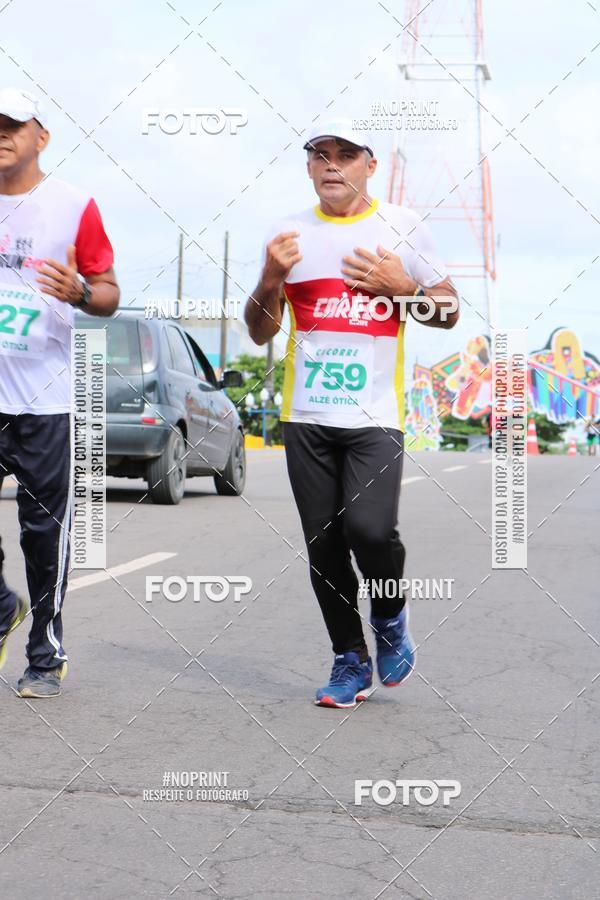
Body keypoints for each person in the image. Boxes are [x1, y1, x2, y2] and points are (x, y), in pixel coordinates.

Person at [245, 119, 459, 708]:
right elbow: (260, 329)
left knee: (369, 530)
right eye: (320, 154)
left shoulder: (402, 227)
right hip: (306, 416)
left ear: (371, 164)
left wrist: (402, 288)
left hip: (374, 417)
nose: (331, 164)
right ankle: (349, 659)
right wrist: (269, 278)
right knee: (324, 544)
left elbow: (449, 313)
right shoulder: (287, 232)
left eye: (345, 154)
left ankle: (389, 616)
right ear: (309, 167)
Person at [0, 88, 119, 697]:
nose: (1, 134)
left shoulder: (73, 206)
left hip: (44, 401)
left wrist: (77, 291)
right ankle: (0, 605)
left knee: (42, 536)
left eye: (13, 125)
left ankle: (44, 657)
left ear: (41, 136)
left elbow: (108, 294)